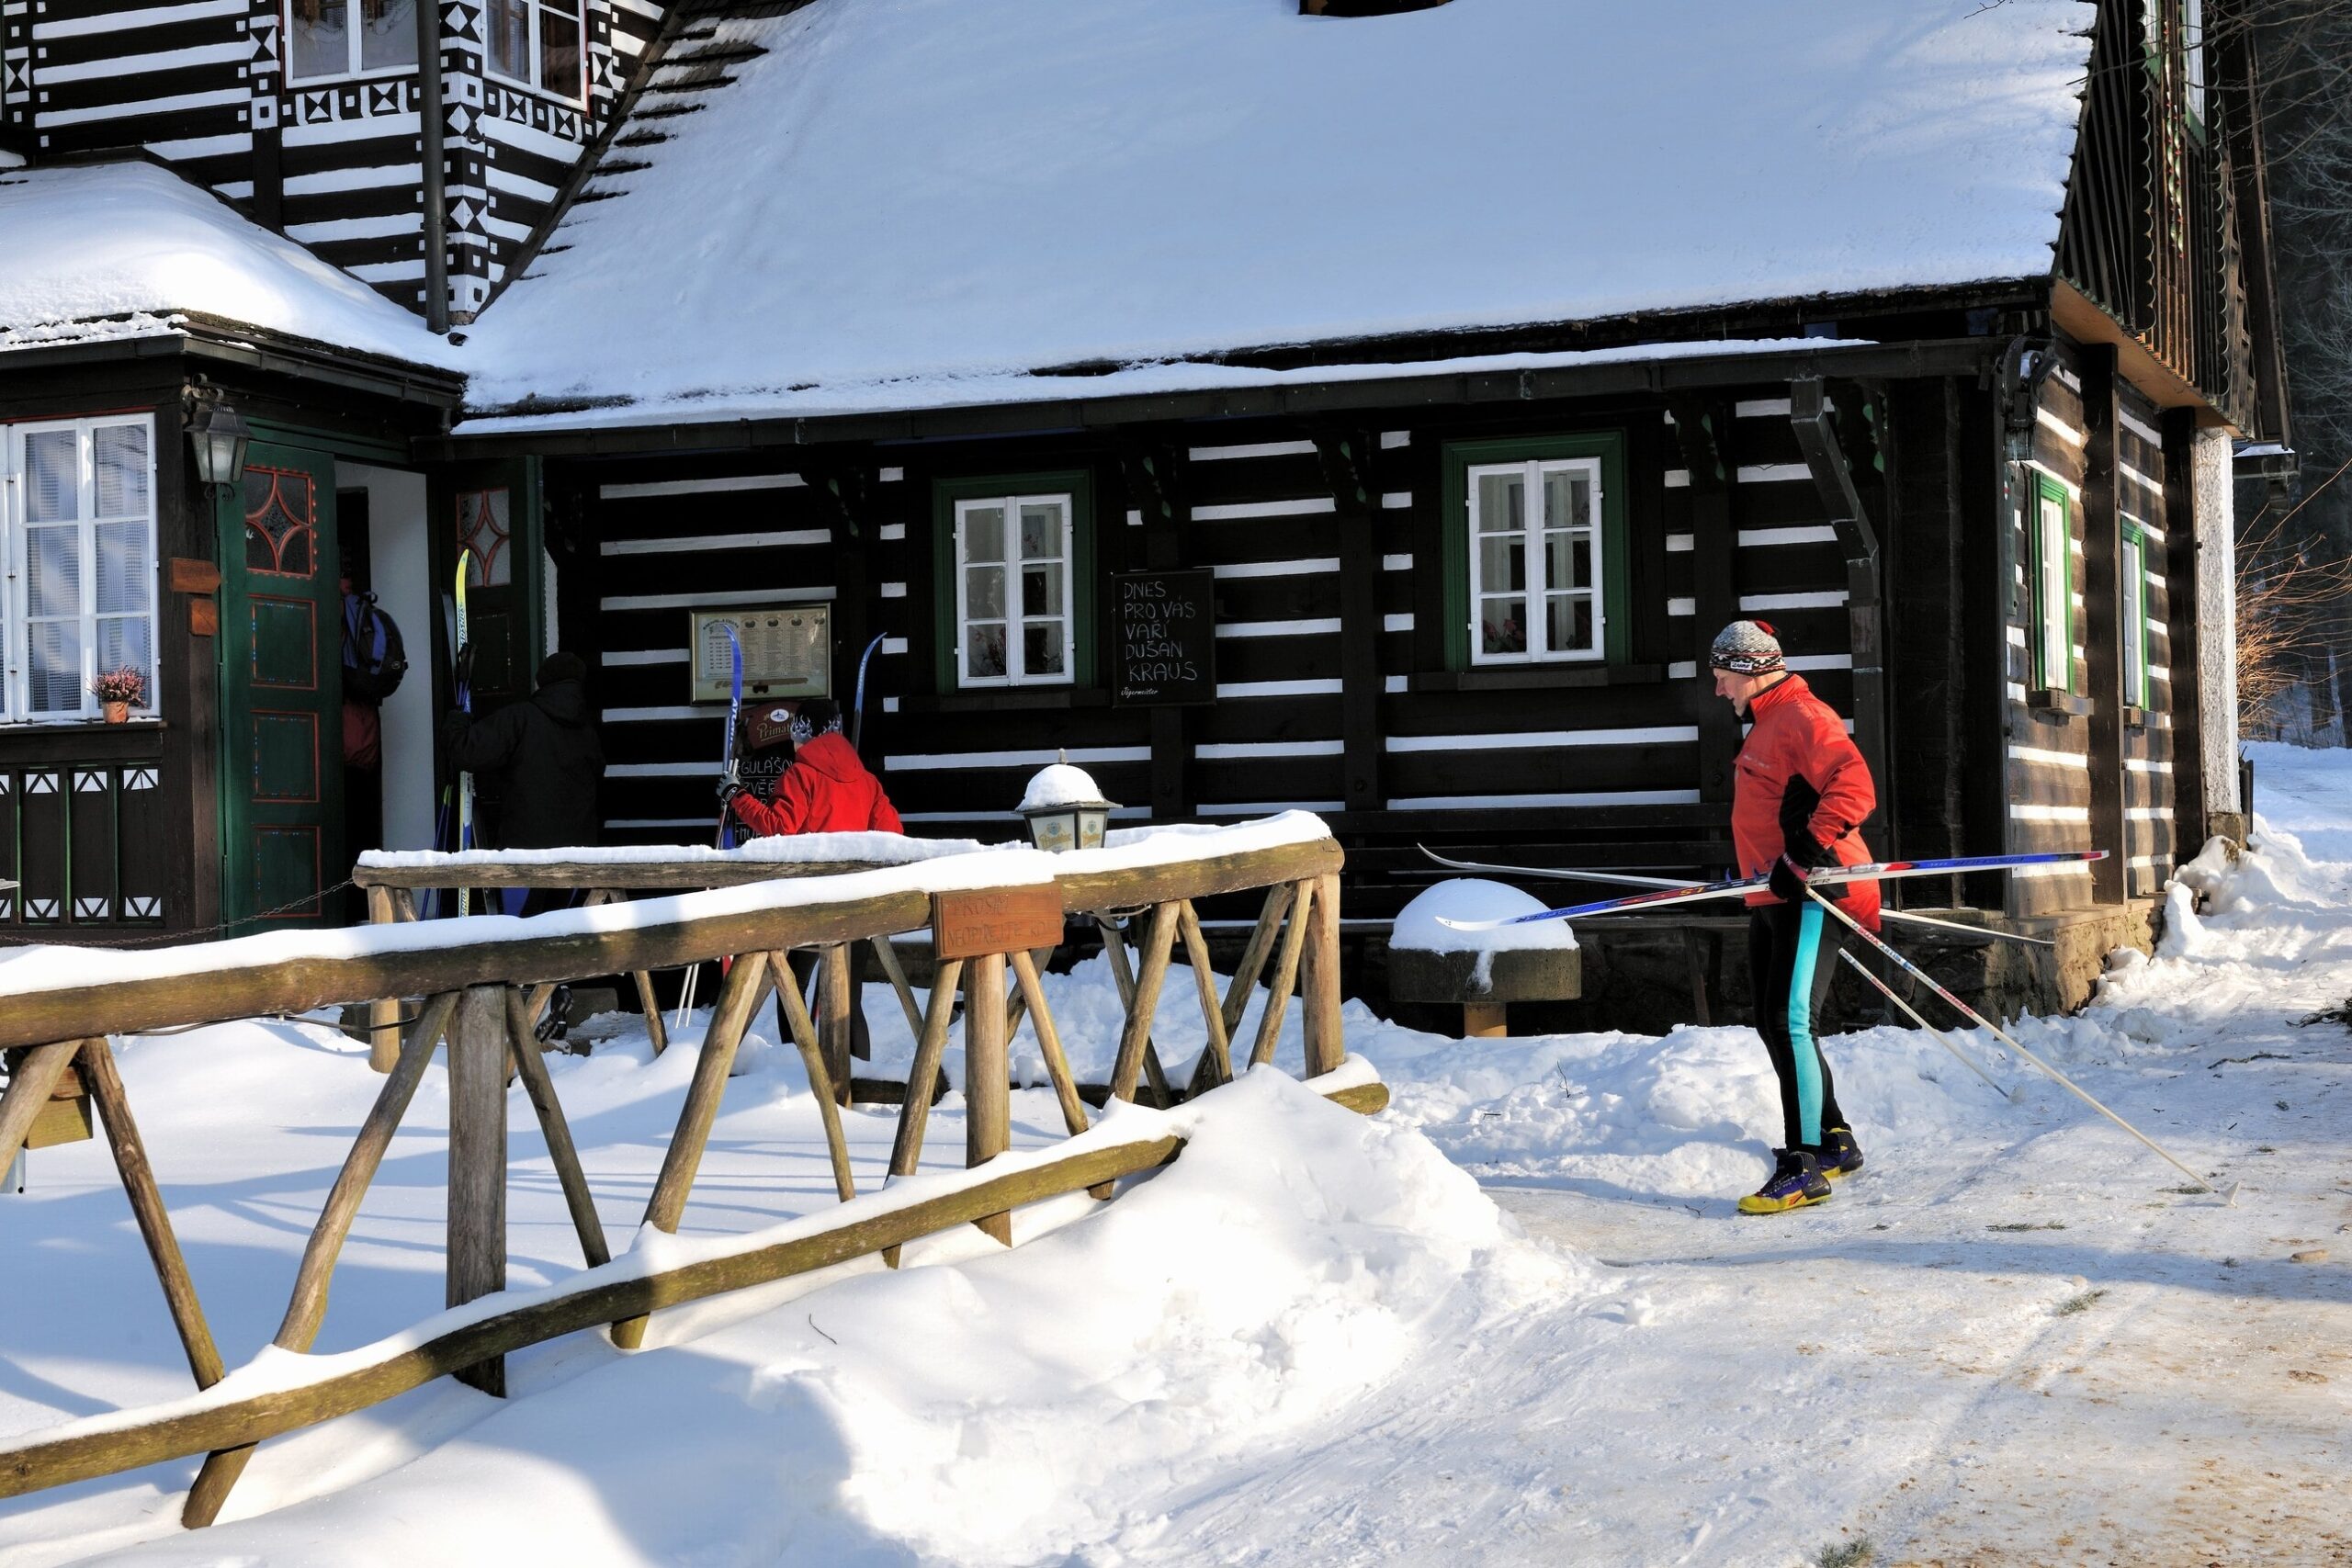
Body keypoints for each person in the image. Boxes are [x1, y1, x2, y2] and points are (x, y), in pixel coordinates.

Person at [1711, 619, 1877, 1214]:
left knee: (1790, 1020)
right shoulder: (1768, 722)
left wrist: (1802, 854)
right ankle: (1834, 1139)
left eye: (1722, 676)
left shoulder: (1802, 716)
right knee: (1770, 1019)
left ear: (1750, 669)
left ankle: (1802, 1166)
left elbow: (1855, 786)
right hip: (1774, 894)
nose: (1718, 689)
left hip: (1816, 890)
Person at [718, 698, 901, 1058]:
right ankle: (856, 1077)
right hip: (859, 901)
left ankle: (798, 1067)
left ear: (802, 734)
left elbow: (779, 827)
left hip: (811, 901)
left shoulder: (800, 776)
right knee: (850, 999)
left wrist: (736, 795)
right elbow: (892, 835)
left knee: (792, 987)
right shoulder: (867, 781)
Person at [444, 650, 605, 917]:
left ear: (541, 682)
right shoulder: (588, 731)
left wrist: (456, 722)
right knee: (562, 930)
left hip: (524, 856)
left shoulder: (520, 718)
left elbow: (466, 752)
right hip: (577, 858)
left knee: (521, 930)